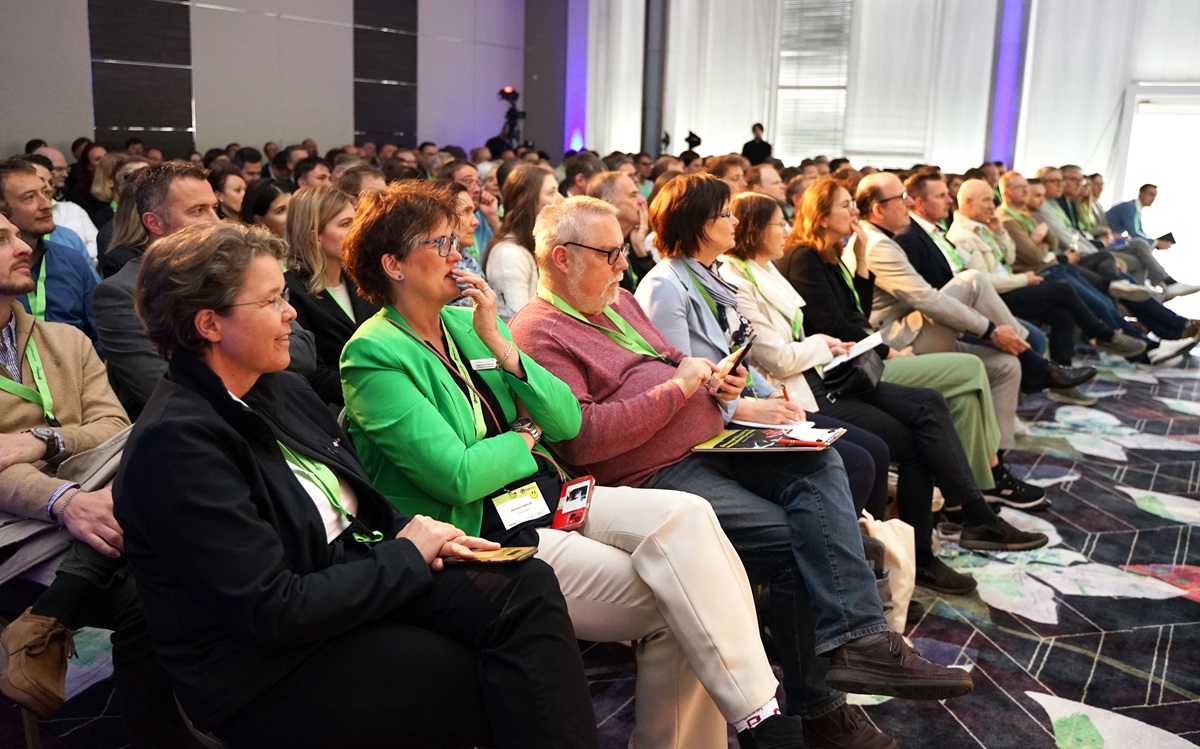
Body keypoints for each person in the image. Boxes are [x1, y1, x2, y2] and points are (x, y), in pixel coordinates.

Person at [340, 182, 815, 749]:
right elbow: (458, 475)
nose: (458, 253)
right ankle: (763, 721)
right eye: (440, 243)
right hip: (480, 529)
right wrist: (525, 435)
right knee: (684, 598)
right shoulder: (372, 353)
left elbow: (564, 419)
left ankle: (760, 715)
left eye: (454, 240)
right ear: (393, 264)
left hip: (540, 496)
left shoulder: (469, 327)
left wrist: (502, 347)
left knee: (687, 516)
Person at [513, 196, 976, 749]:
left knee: (820, 458)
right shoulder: (537, 332)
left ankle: (862, 641)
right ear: (562, 258)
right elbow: (585, 438)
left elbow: (675, 364)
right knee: (797, 543)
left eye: (620, 252)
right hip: (651, 474)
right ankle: (823, 711)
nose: (622, 264)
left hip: (712, 441)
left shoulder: (620, 303)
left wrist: (718, 384)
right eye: (609, 254)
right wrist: (680, 389)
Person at [110, 221, 596, 748]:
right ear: (209, 324)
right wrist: (407, 554)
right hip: (269, 666)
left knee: (527, 587)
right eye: (272, 300)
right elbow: (272, 610)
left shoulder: (281, 390)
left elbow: (363, 510)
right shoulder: (176, 445)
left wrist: (423, 536)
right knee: (477, 673)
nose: (292, 313)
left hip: (349, 585)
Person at [722, 191, 1046, 592]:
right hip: (805, 386)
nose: (786, 230)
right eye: (778, 224)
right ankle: (947, 533)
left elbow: (844, 316)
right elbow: (783, 354)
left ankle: (963, 520)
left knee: (931, 403)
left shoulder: (770, 268)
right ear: (757, 230)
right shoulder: (749, 274)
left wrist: (853, 271)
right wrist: (828, 344)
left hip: (827, 371)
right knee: (915, 434)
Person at [0, 211, 194, 746]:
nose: (25, 245)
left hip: (101, 499)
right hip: (16, 530)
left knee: (158, 449)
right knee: (154, 593)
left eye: (17, 234)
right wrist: (63, 498)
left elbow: (114, 427)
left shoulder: (65, 340)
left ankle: (49, 617)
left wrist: (41, 441)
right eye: (2, 239)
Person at [637, 173, 888, 515]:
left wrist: (769, 395)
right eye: (726, 214)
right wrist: (745, 409)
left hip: (742, 404)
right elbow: (677, 381)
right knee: (856, 462)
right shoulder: (664, 286)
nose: (735, 221)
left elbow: (735, 356)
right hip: (712, 424)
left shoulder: (709, 275)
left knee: (870, 451)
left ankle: (858, 539)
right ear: (699, 223)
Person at [856, 172, 1096, 457]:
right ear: (878, 209)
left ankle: (998, 459)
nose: (908, 203)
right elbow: (926, 298)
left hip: (920, 326)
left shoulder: (891, 236)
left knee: (1007, 364)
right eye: (902, 198)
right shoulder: (879, 245)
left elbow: (1007, 260)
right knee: (975, 280)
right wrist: (990, 330)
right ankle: (1045, 360)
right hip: (898, 342)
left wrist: (999, 234)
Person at [94, 164, 317, 419]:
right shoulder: (121, 293)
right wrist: (252, 355)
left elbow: (304, 352)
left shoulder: (242, 268)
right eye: (198, 211)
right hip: (191, 428)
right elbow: (160, 386)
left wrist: (238, 356)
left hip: (275, 411)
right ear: (154, 222)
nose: (215, 221)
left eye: (214, 208)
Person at [946, 179, 1146, 400]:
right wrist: (1023, 279)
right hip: (996, 298)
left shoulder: (984, 227)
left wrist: (999, 232)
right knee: (1062, 289)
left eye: (992, 200)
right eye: (986, 201)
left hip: (1011, 285)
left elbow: (1009, 258)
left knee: (1062, 313)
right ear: (967, 202)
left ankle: (1063, 382)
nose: (992, 206)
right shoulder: (963, 236)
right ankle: (1103, 334)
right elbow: (984, 282)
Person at [284, 186, 377, 405]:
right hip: (337, 408)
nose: (358, 230)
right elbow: (312, 372)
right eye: (346, 224)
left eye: (357, 220)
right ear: (314, 237)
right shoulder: (291, 290)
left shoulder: (360, 277)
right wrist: (375, 389)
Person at [0, 159, 98, 346]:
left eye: (46, 193)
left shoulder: (71, 259)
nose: (47, 204)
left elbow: (99, 333)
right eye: (30, 197)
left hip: (76, 361)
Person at [484, 164, 561, 318]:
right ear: (526, 201)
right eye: (551, 192)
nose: (561, 198)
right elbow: (517, 320)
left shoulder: (540, 243)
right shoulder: (508, 254)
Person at [586, 170, 656, 290]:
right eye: (633, 195)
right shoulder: (595, 251)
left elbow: (654, 290)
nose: (642, 201)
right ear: (607, 204)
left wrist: (640, 250)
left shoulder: (633, 239)